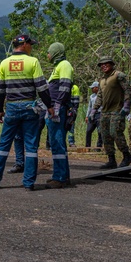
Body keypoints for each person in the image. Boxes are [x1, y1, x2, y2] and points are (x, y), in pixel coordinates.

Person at [0, 34, 53, 191]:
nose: (31, 47)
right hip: (28, 108)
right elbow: (41, 87)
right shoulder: (33, 61)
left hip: (11, 108)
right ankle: (28, 183)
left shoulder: (4, 63)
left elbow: (0, 90)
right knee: (31, 145)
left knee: (4, 144)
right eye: (30, 44)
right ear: (24, 44)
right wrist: (49, 106)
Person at [44, 42, 73, 188]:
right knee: (56, 142)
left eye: (49, 52)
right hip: (55, 108)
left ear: (56, 52)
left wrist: (56, 105)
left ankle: (60, 178)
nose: (47, 55)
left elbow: (65, 86)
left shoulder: (65, 65)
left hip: (57, 109)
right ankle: (61, 175)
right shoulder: (58, 66)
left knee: (57, 142)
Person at [96, 56, 131, 169]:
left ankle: (127, 156)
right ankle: (111, 160)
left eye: (106, 63)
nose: (103, 65)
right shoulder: (102, 80)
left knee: (116, 133)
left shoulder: (118, 75)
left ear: (111, 64)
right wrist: (94, 109)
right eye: (101, 64)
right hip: (105, 112)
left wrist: (126, 105)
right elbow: (99, 96)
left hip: (117, 111)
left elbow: (127, 90)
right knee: (105, 135)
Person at [85, 81, 102, 148]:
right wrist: (87, 116)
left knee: (100, 131)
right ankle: (87, 146)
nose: (92, 89)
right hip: (92, 115)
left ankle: (99, 146)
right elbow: (89, 107)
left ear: (97, 88)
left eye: (93, 88)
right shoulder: (91, 96)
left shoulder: (102, 96)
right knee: (88, 131)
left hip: (99, 114)